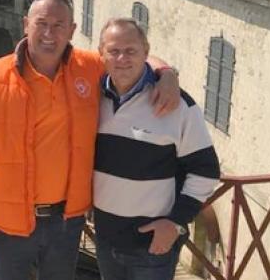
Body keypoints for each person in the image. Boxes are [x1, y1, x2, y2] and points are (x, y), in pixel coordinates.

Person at [0, 0, 180, 280]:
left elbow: (134, 59)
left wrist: (167, 73)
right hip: (6, 220)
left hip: (66, 221)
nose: (49, 33)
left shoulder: (89, 68)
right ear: (26, 24)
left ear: (72, 30)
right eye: (42, 23)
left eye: (59, 25)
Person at [93, 18, 221, 280]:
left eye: (131, 51)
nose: (122, 59)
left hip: (153, 245)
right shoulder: (94, 98)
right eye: (114, 51)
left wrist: (175, 222)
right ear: (101, 54)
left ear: (146, 51)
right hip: (106, 240)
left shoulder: (177, 104)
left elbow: (206, 170)